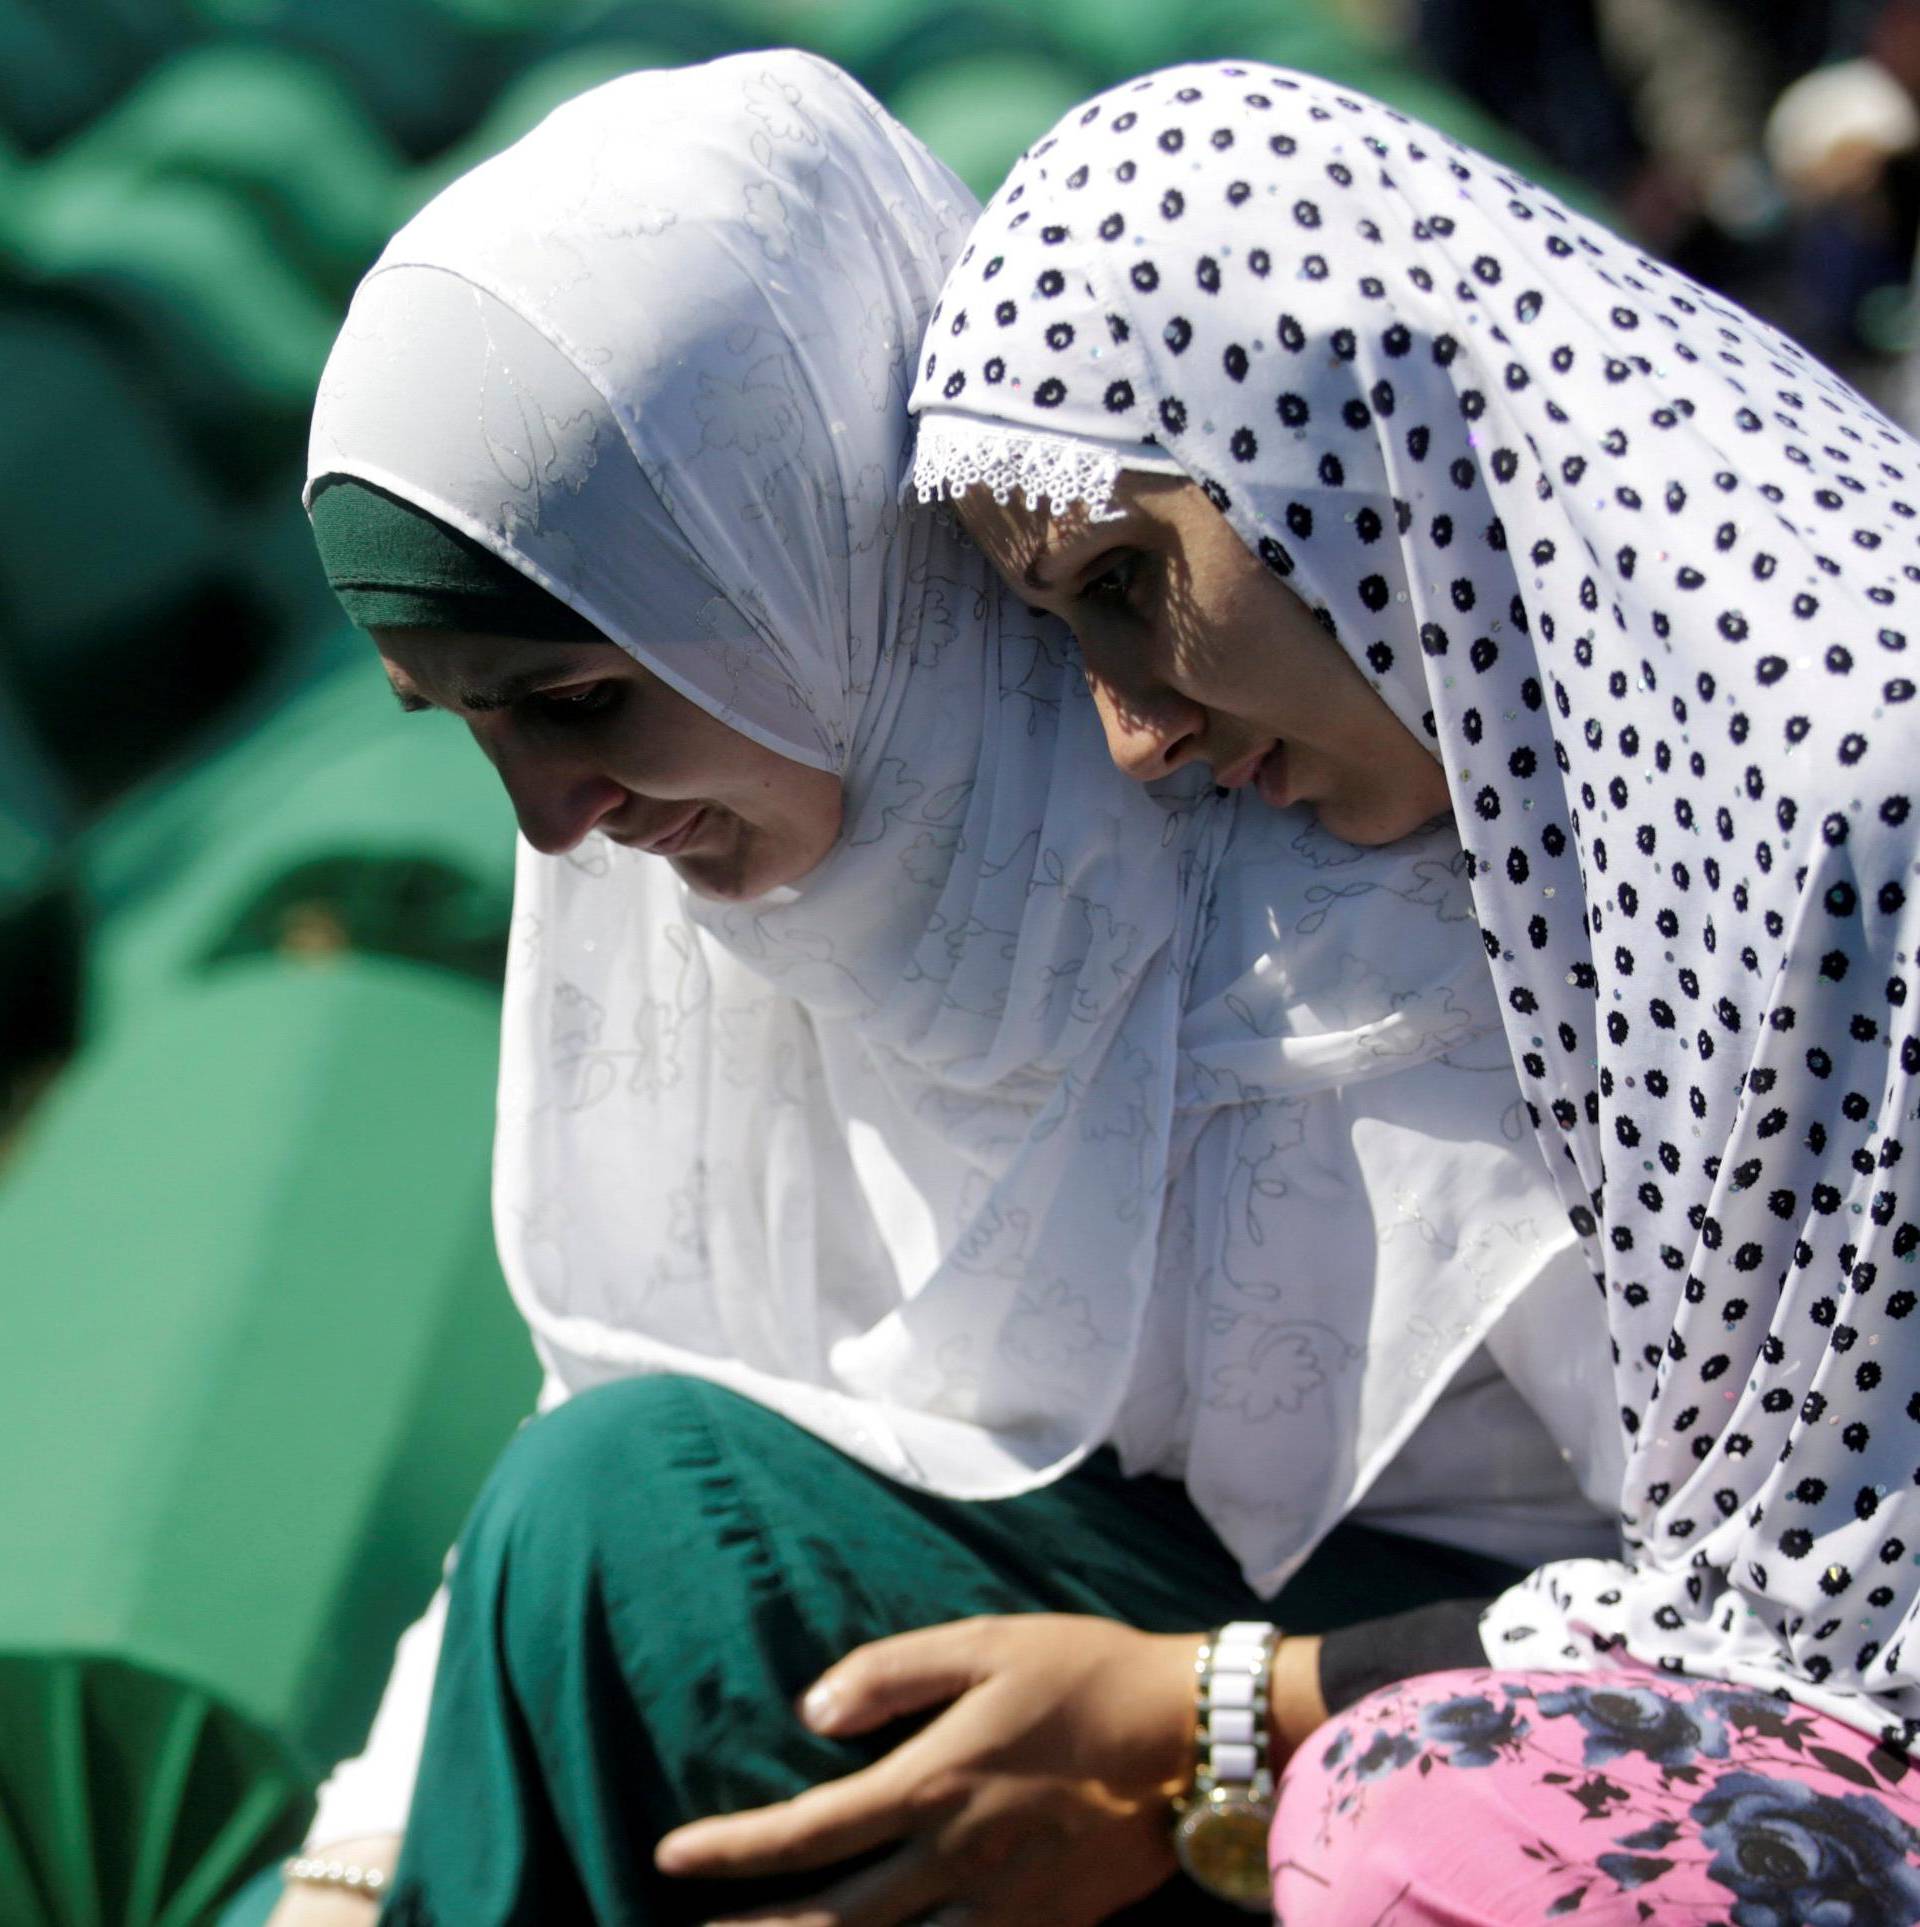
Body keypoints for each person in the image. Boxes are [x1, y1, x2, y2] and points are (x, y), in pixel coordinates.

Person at [239, 49, 1629, 1927]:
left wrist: (1214, 1729)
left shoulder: (1342, 848)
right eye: (463, 723)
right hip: (1146, 1719)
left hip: (1494, 1764)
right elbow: (640, 1374)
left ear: (810, 563)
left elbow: (1775, 1614)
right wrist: (348, 1857)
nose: (550, 821)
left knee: (636, 1524)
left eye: (579, 699)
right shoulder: (756, 880)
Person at [905, 56, 1920, 1919]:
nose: (1133, 738)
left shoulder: (1857, 785)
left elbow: (1840, 1634)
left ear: (1353, 431)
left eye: (1132, 579)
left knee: (1425, 1828)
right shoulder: (1638, 788)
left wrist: (1227, 1710)